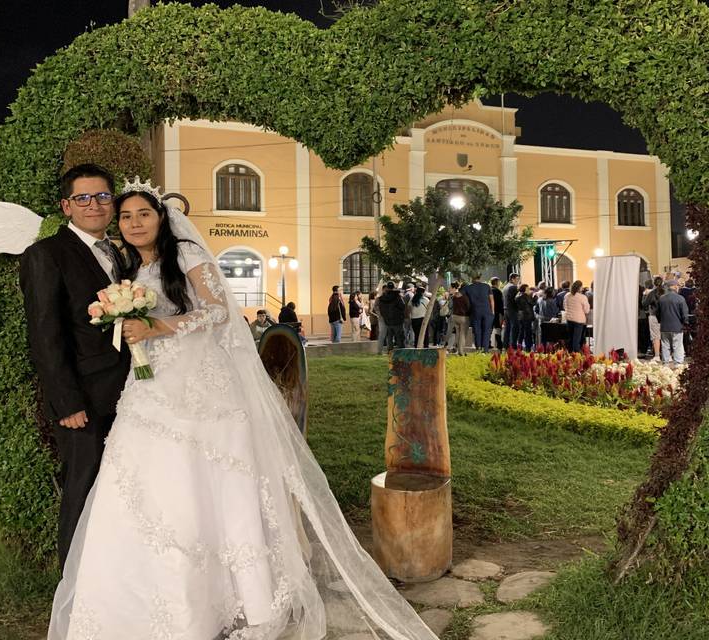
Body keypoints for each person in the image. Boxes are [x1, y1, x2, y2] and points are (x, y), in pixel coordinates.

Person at [48, 181, 437, 640]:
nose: (133, 224)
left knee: (208, 480)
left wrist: (160, 325)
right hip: (151, 389)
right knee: (144, 482)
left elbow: (218, 312)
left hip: (201, 386)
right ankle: (142, 599)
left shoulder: (188, 254)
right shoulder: (133, 266)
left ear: (162, 218)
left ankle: (232, 595)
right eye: (127, 217)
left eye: (143, 215)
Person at [19, 164, 131, 570]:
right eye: (82, 198)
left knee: (119, 485)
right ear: (66, 205)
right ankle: (73, 580)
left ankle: (113, 572)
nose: (94, 205)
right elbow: (45, 336)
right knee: (82, 485)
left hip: (129, 391)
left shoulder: (119, 252)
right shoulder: (46, 255)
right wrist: (67, 403)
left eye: (102, 196)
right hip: (83, 400)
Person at [657, 279, 690, 366]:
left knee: (665, 346)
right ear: (675, 286)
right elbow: (684, 314)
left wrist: (661, 321)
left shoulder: (661, 298)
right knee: (677, 346)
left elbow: (657, 313)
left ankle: (665, 364)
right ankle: (677, 364)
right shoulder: (680, 298)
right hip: (677, 327)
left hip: (664, 327)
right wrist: (685, 323)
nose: (678, 287)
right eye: (678, 286)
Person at [463, 273, 494, 352]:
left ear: (471, 278)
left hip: (475, 311)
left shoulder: (468, 288)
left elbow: (460, 296)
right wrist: (492, 311)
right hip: (487, 311)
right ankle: (485, 349)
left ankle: (478, 348)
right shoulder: (487, 286)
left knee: (477, 330)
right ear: (479, 277)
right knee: (487, 330)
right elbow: (491, 300)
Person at [376, 281, 406, 354]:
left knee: (389, 338)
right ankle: (401, 352)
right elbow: (403, 306)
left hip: (388, 321)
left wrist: (385, 317)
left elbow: (381, 309)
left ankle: (390, 352)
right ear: (393, 287)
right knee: (399, 338)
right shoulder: (397, 297)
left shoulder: (381, 298)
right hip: (397, 321)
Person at [563, 280, 591, 352]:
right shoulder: (582, 297)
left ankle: (569, 355)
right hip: (578, 321)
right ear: (580, 288)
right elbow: (587, 310)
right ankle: (578, 356)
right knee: (576, 341)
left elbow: (564, 306)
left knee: (570, 339)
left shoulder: (567, 295)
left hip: (569, 319)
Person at [642, 276, 665, 361]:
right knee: (665, 336)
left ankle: (657, 355)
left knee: (656, 336)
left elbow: (644, 304)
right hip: (665, 316)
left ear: (653, 283)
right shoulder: (665, 292)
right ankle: (667, 354)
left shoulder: (651, 293)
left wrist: (645, 295)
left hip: (654, 315)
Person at [449, 281, 471, 355]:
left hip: (455, 316)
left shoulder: (454, 296)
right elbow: (468, 307)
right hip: (463, 317)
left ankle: (458, 350)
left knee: (458, 334)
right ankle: (461, 352)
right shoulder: (465, 297)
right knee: (462, 335)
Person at [514, 284, 537, 351]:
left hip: (520, 316)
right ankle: (528, 347)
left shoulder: (517, 295)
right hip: (527, 316)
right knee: (528, 332)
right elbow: (533, 303)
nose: (529, 290)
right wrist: (535, 297)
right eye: (528, 289)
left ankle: (519, 346)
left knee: (521, 332)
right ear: (524, 289)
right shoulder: (525, 296)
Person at [502, 273, 520, 349]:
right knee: (514, 328)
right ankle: (513, 346)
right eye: (517, 279)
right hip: (513, 310)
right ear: (512, 279)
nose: (518, 281)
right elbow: (516, 300)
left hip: (506, 309)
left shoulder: (505, 287)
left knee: (507, 328)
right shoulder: (513, 287)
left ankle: (505, 345)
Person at [490, 277, 504, 350]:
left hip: (489, 312)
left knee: (490, 328)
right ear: (497, 283)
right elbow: (500, 303)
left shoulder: (489, 291)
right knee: (498, 327)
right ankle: (499, 343)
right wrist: (502, 313)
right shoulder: (498, 292)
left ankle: (488, 343)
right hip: (496, 312)